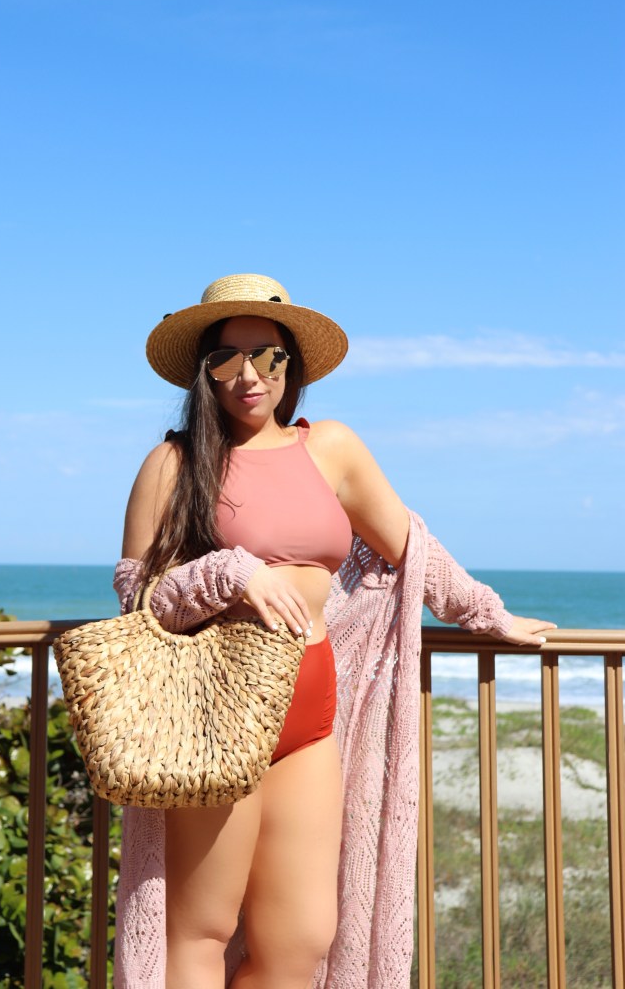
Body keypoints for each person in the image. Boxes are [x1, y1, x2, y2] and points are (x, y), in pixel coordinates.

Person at [113, 273, 553, 989]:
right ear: (203, 370)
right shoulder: (172, 464)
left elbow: (413, 548)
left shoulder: (333, 449)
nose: (250, 375)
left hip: (311, 714)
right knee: (200, 930)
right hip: (216, 716)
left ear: (292, 367)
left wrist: (490, 614)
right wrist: (230, 573)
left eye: (269, 356)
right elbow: (139, 597)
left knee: (302, 940)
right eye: (227, 357)